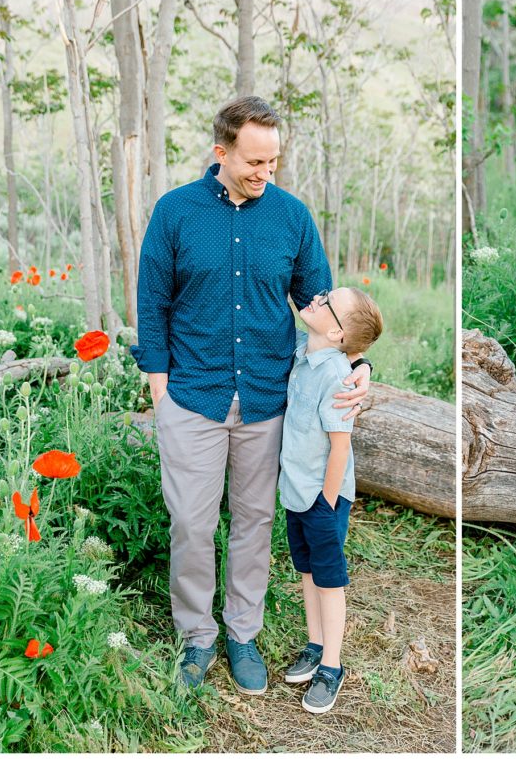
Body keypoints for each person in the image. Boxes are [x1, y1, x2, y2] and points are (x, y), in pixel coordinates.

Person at [131, 96, 371, 695]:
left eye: (274, 162)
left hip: (269, 401)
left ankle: (241, 634)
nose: (266, 172)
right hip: (191, 396)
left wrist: (359, 363)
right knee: (190, 523)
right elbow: (151, 304)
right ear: (222, 151)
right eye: (255, 161)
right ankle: (196, 638)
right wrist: (159, 388)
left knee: (255, 521)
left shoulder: (291, 218)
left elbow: (325, 306)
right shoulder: (175, 213)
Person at [278, 287, 383, 714]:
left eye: (328, 303)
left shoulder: (338, 377)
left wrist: (326, 500)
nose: (317, 300)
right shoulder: (304, 351)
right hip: (296, 491)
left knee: (329, 579)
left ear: (340, 334)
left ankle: (331, 666)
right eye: (324, 295)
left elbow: (340, 447)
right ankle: (315, 642)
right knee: (306, 571)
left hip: (323, 498)